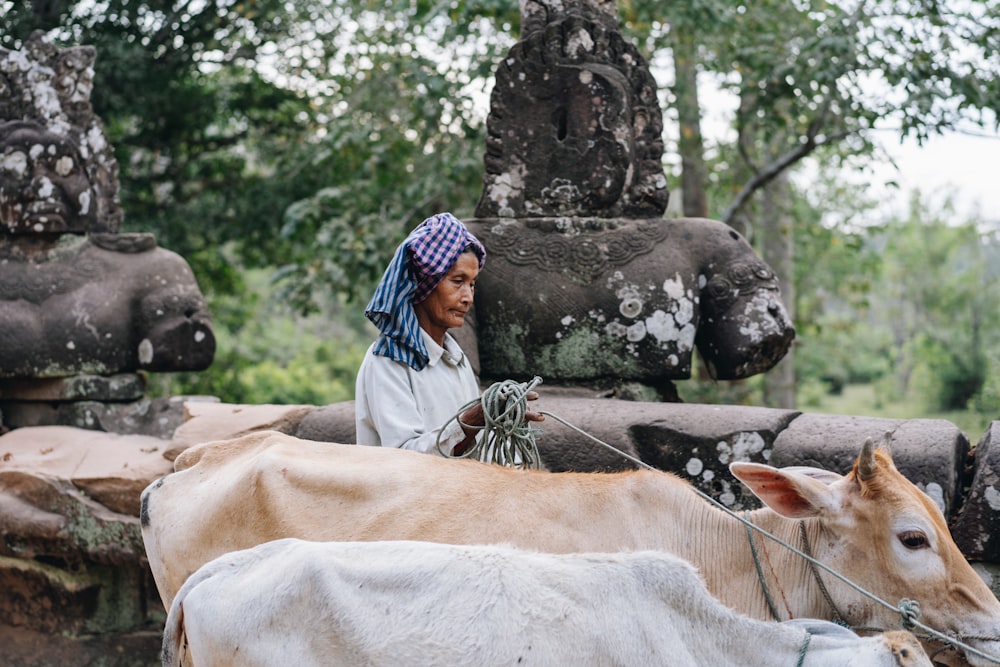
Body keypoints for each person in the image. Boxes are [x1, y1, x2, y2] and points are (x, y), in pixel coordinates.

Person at [355, 212, 542, 457]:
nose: (468, 297)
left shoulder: (455, 358)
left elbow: (479, 448)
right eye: (457, 281)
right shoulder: (389, 361)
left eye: (472, 283)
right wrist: (472, 420)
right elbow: (402, 459)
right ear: (424, 284)